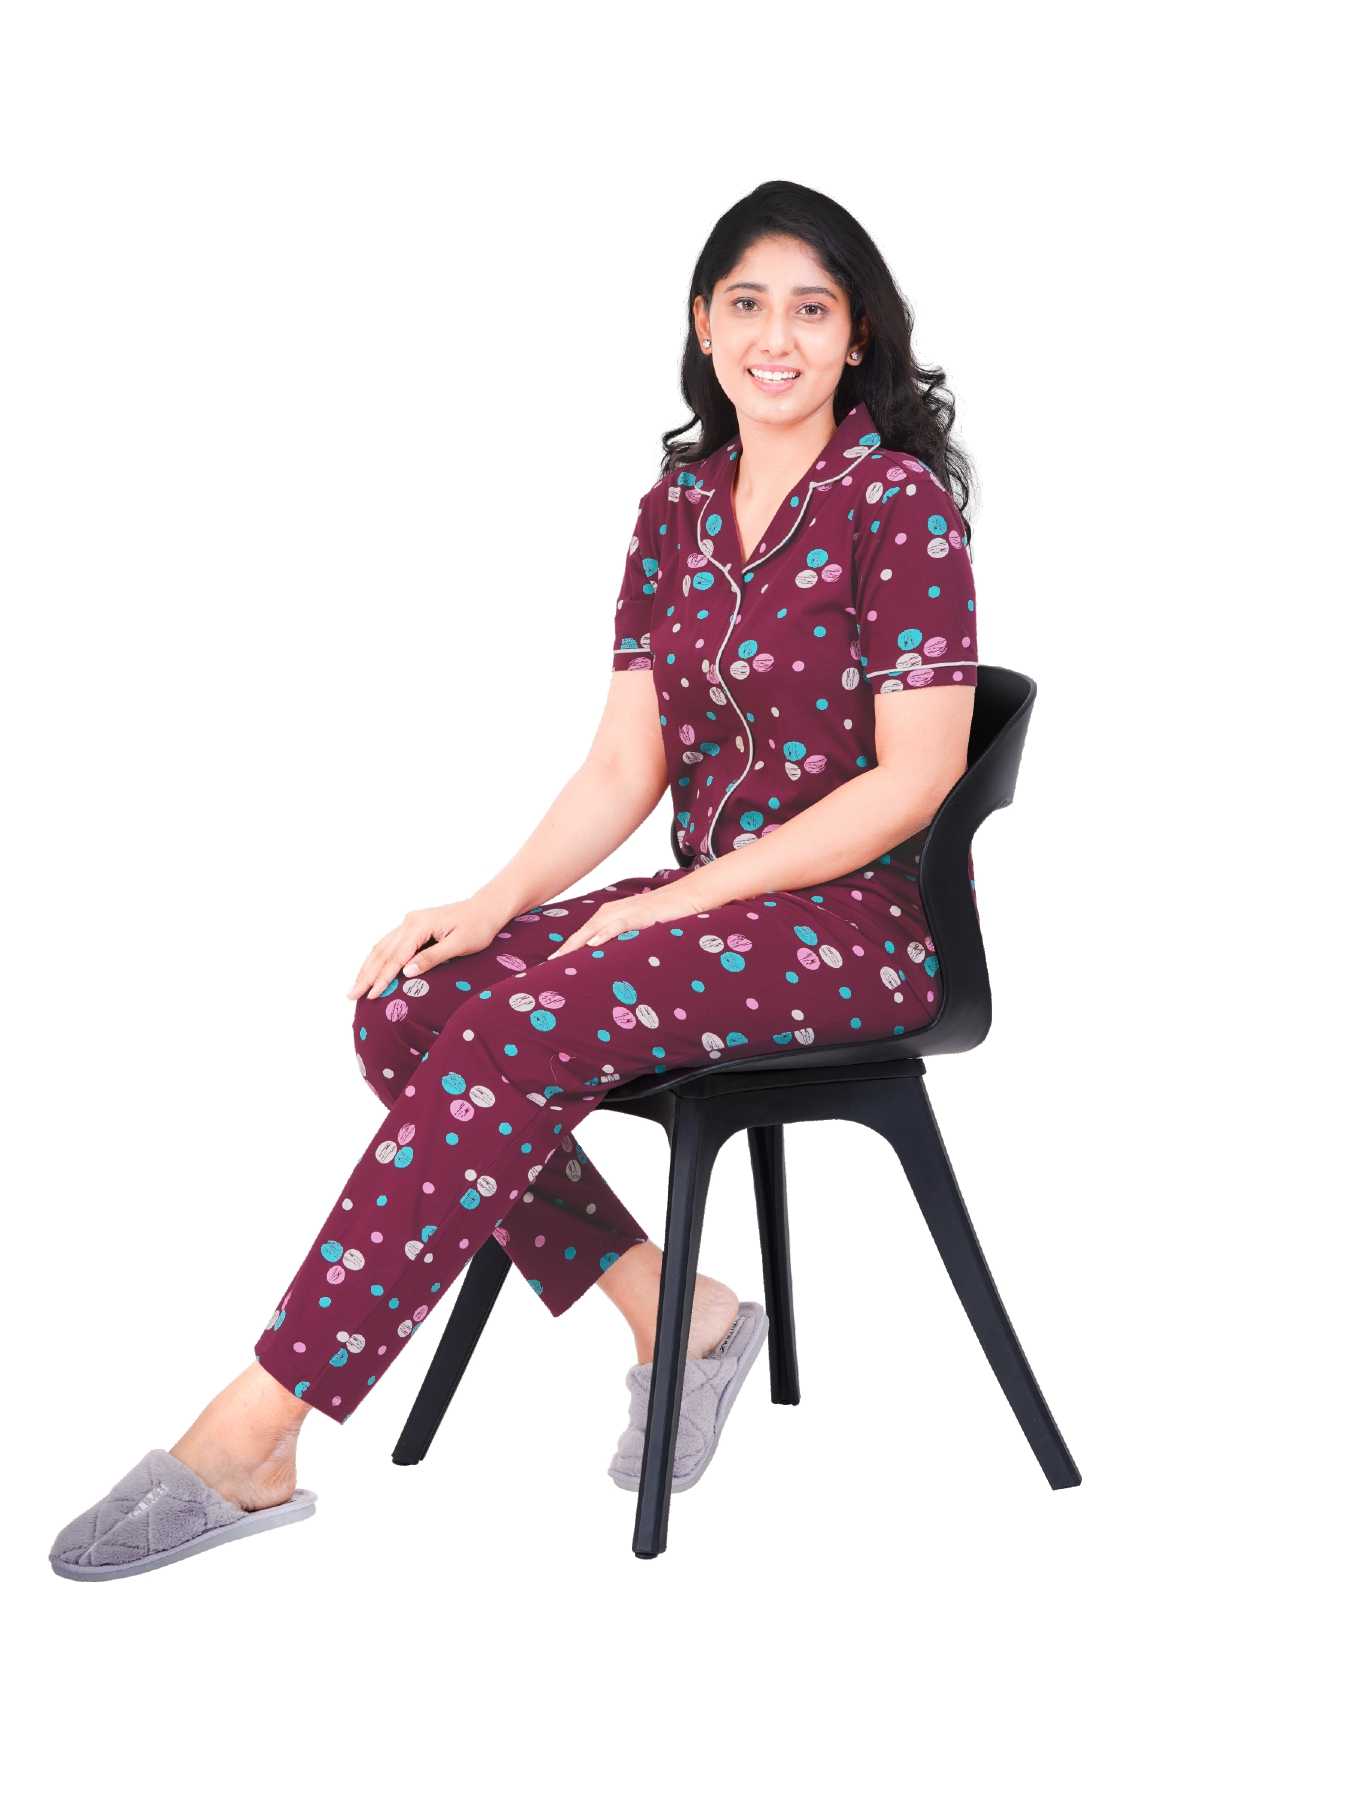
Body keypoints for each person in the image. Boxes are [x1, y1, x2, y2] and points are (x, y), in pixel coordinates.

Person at [49, 177, 980, 1578]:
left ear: (857, 338)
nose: (774, 338)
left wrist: (677, 900)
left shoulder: (895, 504)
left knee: (526, 1022)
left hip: (852, 932)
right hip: (704, 921)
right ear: (701, 323)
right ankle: (677, 1311)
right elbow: (624, 763)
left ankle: (258, 1425)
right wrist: (487, 904)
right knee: (411, 1003)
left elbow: (912, 780)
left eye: (810, 309)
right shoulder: (674, 510)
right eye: (746, 304)